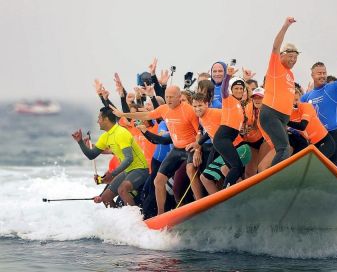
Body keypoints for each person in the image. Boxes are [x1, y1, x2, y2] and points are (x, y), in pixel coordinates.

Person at [109, 85, 200, 215]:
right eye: (167, 97)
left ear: (179, 97)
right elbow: (146, 115)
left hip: (189, 148)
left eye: (172, 97)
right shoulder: (164, 109)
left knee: (190, 171)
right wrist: (123, 114)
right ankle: (160, 214)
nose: (169, 100)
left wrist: (197, 149)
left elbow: (199, 132)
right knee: (158, 181)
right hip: (176, 149)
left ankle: (199, 201)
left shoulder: (189, 110)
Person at [72, 107, 149, 207]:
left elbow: (129, 158)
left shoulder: (121, 133)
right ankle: (118, 218)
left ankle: (135, 219)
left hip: (140, 169)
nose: (97, 121)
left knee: (122, 189)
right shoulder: (105, 137)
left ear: (106, 119)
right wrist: (80, 142)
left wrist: (112, 174)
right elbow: (91, 155)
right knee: (106, 197)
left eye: (99, 118)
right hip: (127, 171)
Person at [301, 49, 337, 167]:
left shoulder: (332, 89)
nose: (322, 76)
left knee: (334, 167)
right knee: (318, 165)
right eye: (319, 73)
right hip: (317, 136)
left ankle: (335, 184)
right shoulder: (306, 97)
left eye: (324, 73)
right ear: (312, 75)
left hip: (334, 134)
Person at [259, 16, 298, 167]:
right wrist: (285, 27)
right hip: (271, 114)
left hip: (282, 118)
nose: (293, 60)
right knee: (284, 149)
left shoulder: (290, 74)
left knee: (284, 150)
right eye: (290, 56)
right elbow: (276, 46)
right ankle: (272, 180)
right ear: (282, 55)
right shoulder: (276, 66)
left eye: (295, 57)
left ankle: (277, 179)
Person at [213, 65, 249, 188]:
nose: (239, 90)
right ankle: (225, 191)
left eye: (241, 88)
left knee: (235, 168)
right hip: (222, 138)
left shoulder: (239, 104)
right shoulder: (228, 99)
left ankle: (234, 191)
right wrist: (228, 76)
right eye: (236, 88)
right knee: (237, 166)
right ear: (231, 90)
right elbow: (223, 90)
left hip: (226, 140)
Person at [288, 88, 335, 159]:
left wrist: (285, 121)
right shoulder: (288, 114)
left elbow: (302, 126)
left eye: (296, 100)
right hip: (311, 145)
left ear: (300, 99)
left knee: (316, 161)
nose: (294, 103)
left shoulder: (306, 106)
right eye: (291, 100)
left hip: (325, 142)